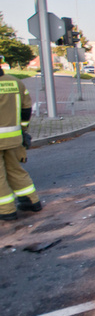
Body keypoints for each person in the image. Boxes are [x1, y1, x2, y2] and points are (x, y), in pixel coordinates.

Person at [0, 57, 41, 221]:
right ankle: (32, 201)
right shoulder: (16, 83)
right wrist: (23, 129)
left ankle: (6, 210)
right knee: (16, 170)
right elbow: (26, 109)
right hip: (14, 138)